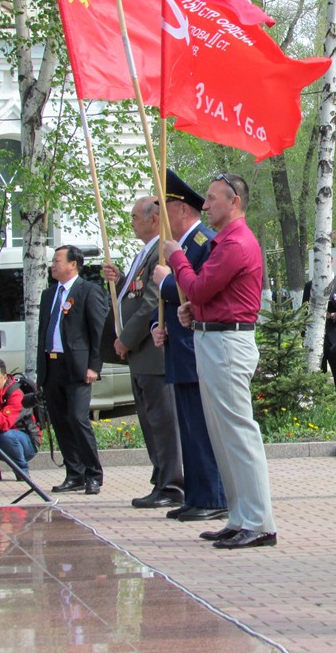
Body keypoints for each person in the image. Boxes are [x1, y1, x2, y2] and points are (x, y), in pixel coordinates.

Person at [163, 172, 276, 549]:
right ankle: (240, 516)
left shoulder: (236, 243)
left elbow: (197, 285)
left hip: (228, 344)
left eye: (212, 199)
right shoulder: (227, 241)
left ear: (234, 202)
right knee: (223, 436)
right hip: (215, 339)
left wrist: (176, 257)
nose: (205, 205)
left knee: (239, 435)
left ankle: (259, 521)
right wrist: (194, 312)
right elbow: (206, 295)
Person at [150, 169, 227, 523]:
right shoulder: (178, 247)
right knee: (189, 429)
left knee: (202, 428)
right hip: (180, 349)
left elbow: (195, 292)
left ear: (181, 210)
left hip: (198, 350)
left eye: (163, 207)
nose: (159, 216)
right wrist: (157, 325)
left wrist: (167, 283)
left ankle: (212, 496)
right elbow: (169, 304)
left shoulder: (203, 244)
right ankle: (196, 496)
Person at [103, 197, 184, 509]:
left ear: (153, 219)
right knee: (150, 423)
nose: (132, 222)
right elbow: (135, 295)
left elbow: (152, 302)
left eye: (136, 217)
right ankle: (161, 477)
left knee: (162, 423)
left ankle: (173, 485)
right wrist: (121, 280)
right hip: (141, 356)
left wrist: (125, 338)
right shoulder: (144, 253)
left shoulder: (160, 252)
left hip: (154, 353)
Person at [36, 245, 109, 495]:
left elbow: (98, 331)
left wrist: (94, 366)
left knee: (78, 419)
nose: (53, 265)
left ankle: (93, 474)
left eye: (57, 261)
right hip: (51, 364)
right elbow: (43, 331)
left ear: (73, 265)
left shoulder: (88, 291)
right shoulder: (49, 295)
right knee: (60, 421)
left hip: (77, 367)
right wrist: (40, 370)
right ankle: (74, 473)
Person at [302, 254, 336, 407]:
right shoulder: (310, 285)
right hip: (316, 338)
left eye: (328, 260)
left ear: (332, 261)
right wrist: (304, 335)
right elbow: (304, 311)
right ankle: (318, 405)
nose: (325, 264)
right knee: (317, 375)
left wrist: (335, 315)